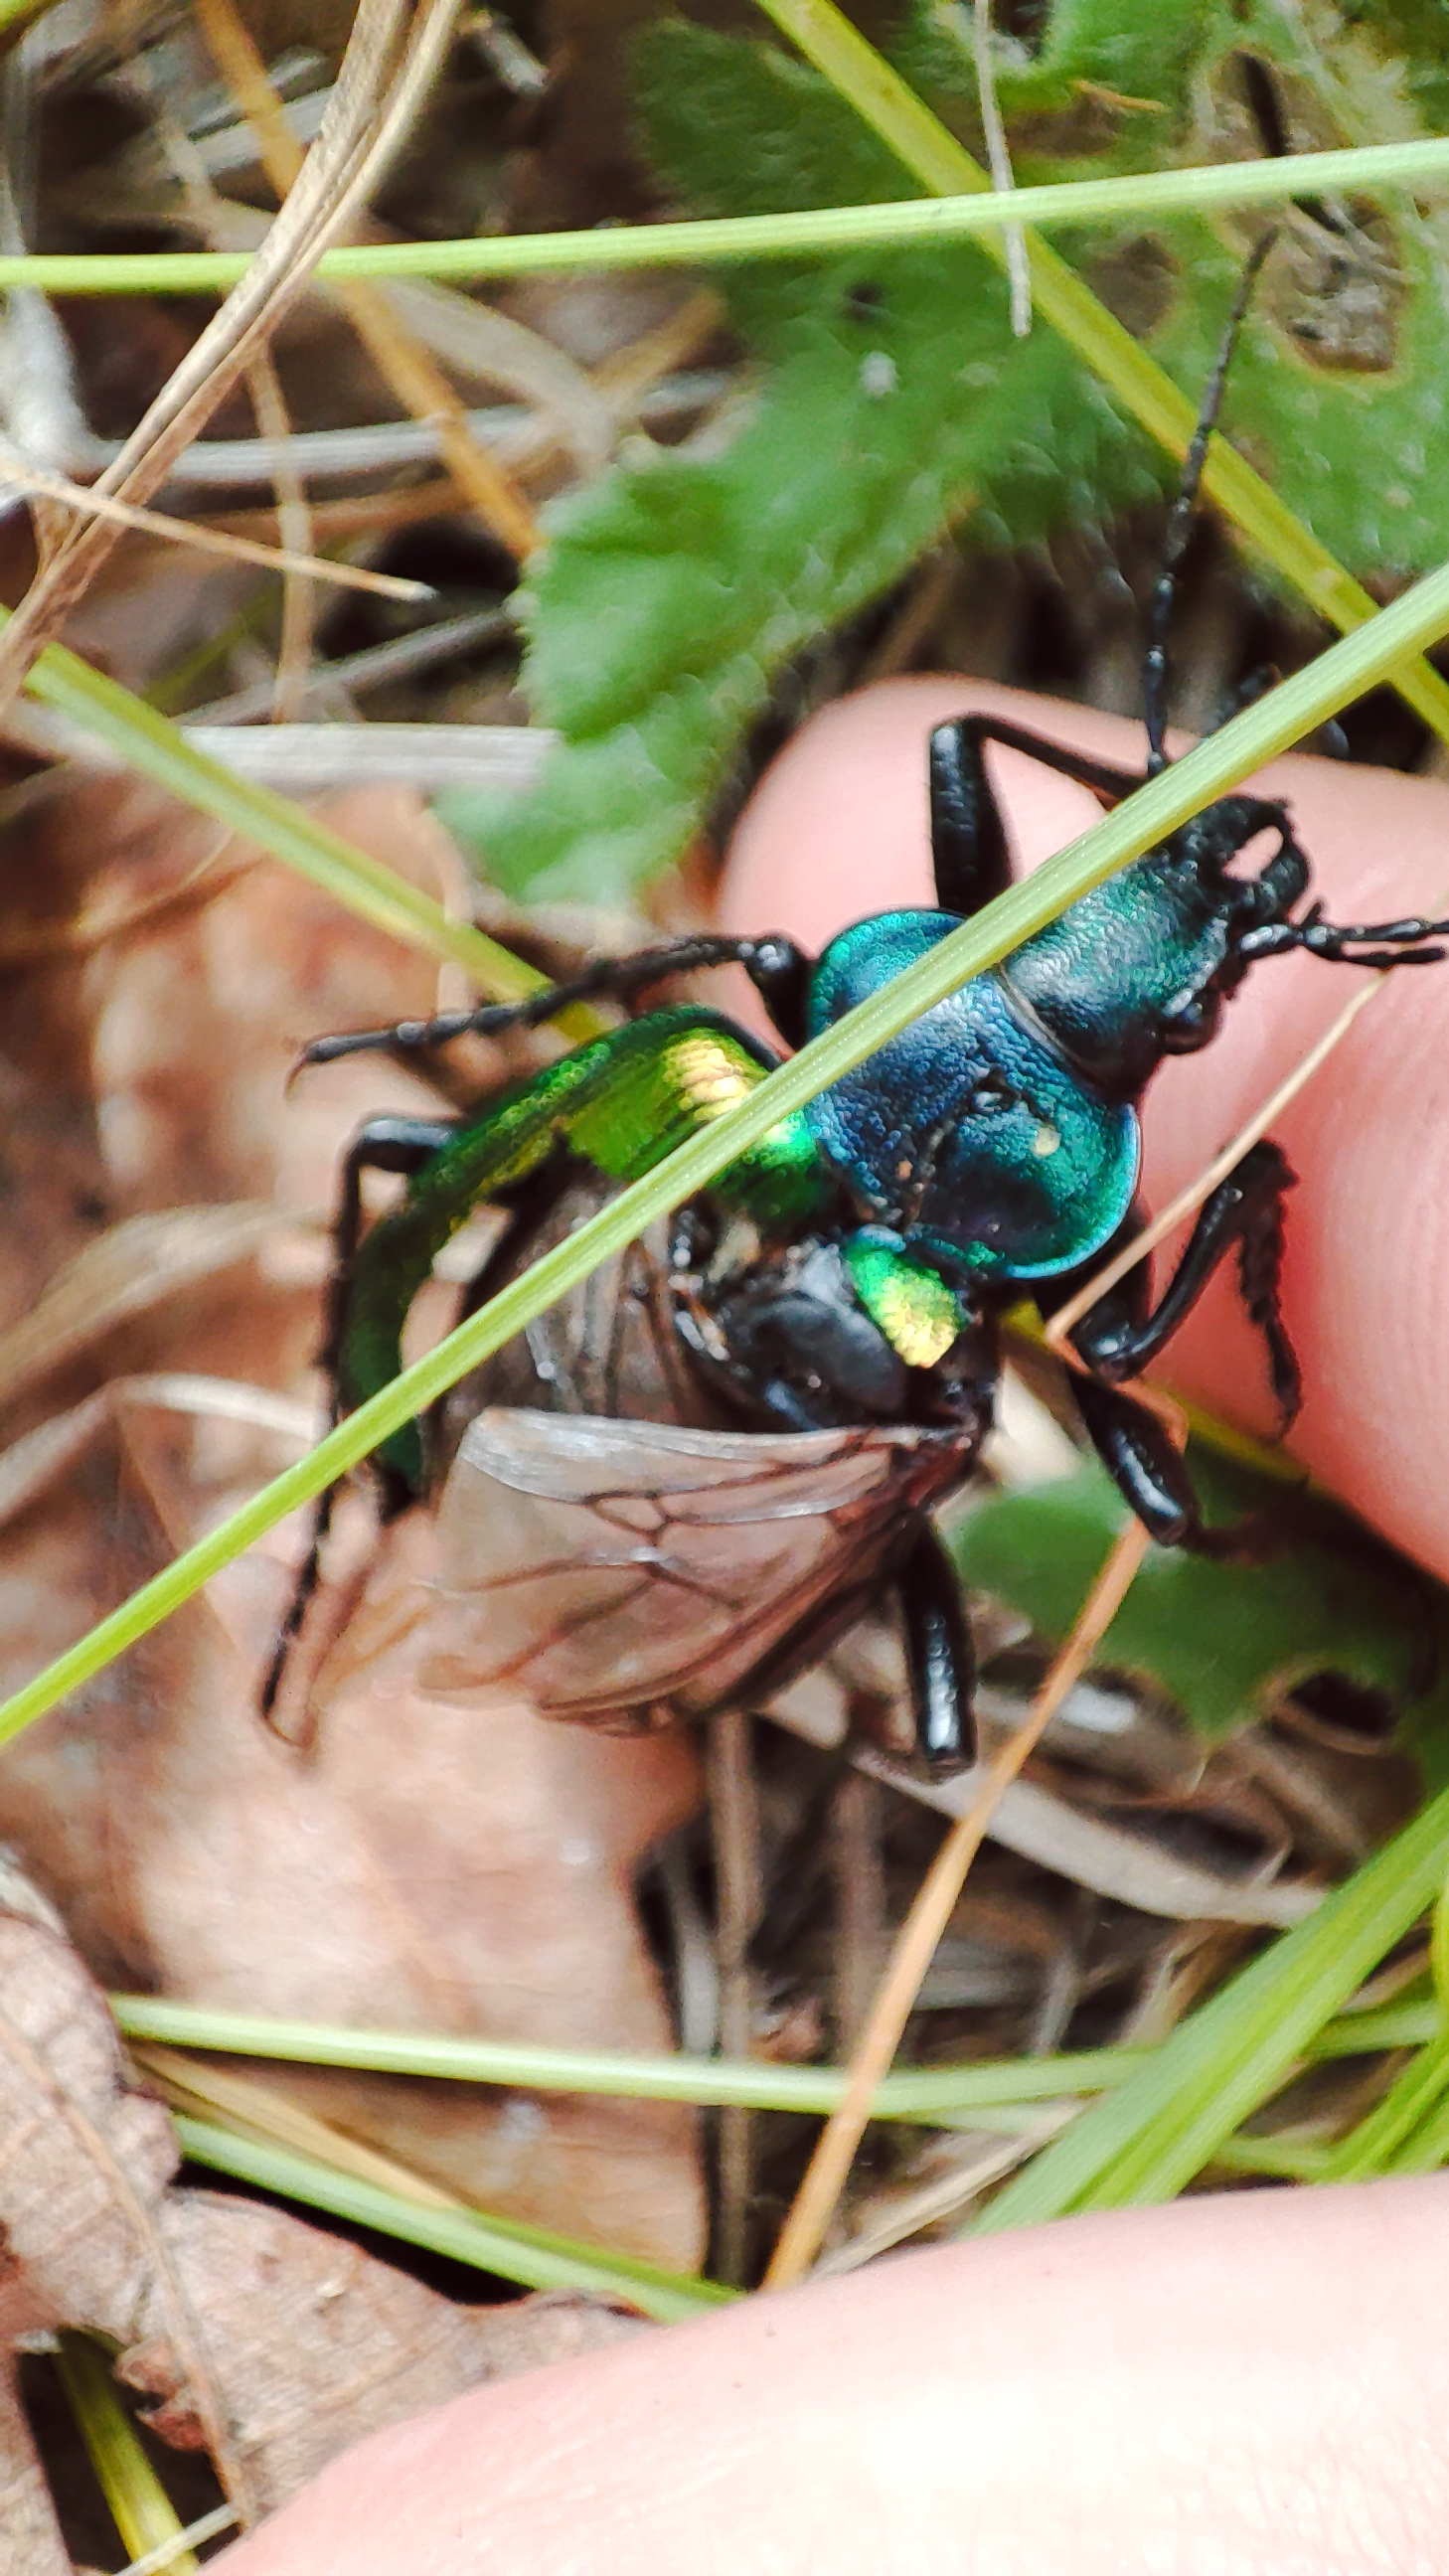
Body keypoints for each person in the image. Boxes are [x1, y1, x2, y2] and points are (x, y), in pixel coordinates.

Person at [219, 681, 1449, 2573]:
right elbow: (1140, 1418)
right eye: (1128, 878)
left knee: (572, 1103)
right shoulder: (974, 1246)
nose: (1208, 895)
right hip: (699, 1431)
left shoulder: (798, 1090)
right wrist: (1252, 1248)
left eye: (1193, 987)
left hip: (673, 1486)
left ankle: (383, 1488)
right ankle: (400, 1496)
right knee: (1040, 1504)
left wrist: (544, 1033)